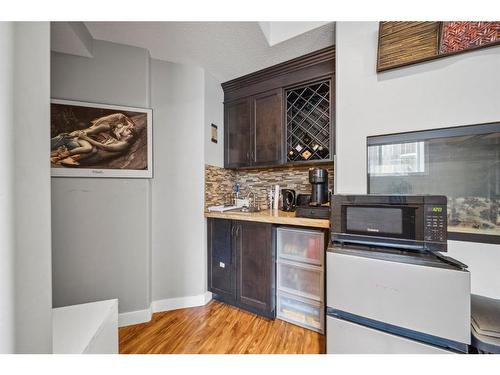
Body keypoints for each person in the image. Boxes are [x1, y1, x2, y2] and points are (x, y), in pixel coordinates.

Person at [51, 113, 137, 166]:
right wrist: (82, 135)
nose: (123, 128)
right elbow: (89, 131)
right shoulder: (107, 127)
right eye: (124, 126)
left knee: (92, 149)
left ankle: (62, 156)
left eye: (127, 128)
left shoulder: (122, 143)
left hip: (87, 149)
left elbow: (103, 147)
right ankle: (63, 154)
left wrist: (85, 137)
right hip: (81, 142)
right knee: (89, 148)